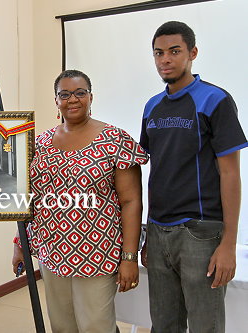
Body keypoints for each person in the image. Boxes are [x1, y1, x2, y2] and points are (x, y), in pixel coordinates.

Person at [12, 70, 148, 333]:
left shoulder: (114, 140)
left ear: (90, 96)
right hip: (51, 251)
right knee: (62, 326)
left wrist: (130, 257)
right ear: (56, 100)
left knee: (95, 326)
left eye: (79, 93)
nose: (72, 100)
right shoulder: (39, 143)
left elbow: (131, 201)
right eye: (64, 94)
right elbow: (29, 201)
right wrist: (20, 243)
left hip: (98, 252)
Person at [140, 21, 247, 333]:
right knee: (163, 326)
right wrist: (148, 235)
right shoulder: (152, 107)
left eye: (174, 51)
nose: (166, 59)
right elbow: (155, 170)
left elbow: (231, 174)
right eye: (159, 53)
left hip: (201, 233)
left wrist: (228, 243)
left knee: (205, 327)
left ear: (192, 53)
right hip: (159, 232)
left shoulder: (214, 100)